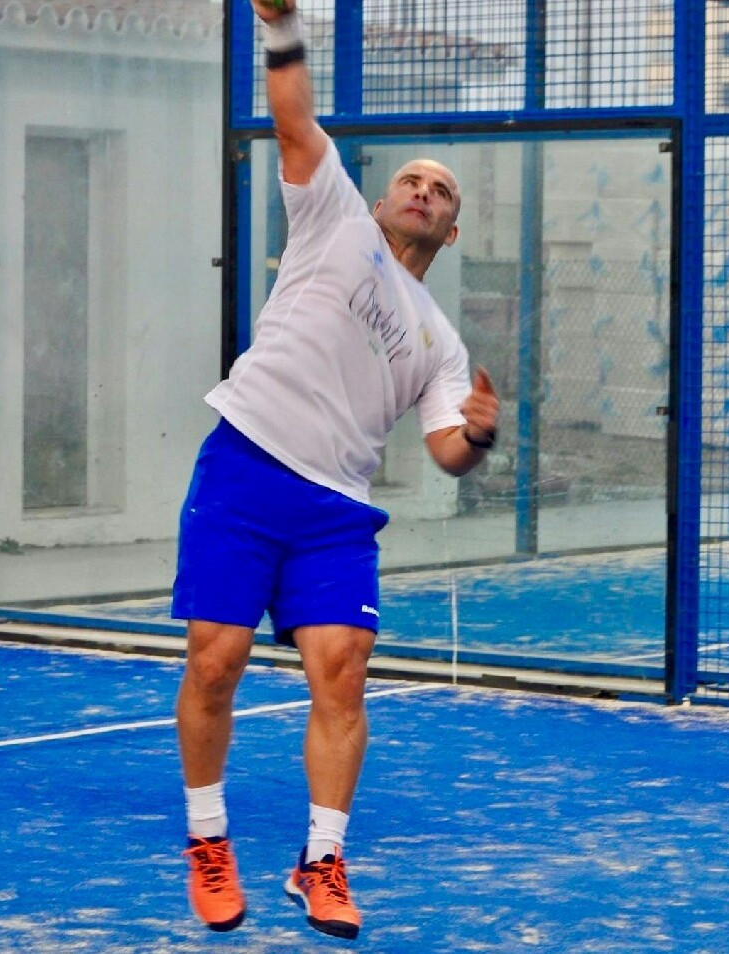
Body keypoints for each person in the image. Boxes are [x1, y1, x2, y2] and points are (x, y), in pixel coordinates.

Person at [172, 0, 500, 939]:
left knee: (344, 677)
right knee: (216, 661)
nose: (423, 191)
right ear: (386, 199)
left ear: (451, 230)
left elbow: (445, 452)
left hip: (335, 512)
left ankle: (320, 861)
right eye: (412, 181)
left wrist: (478, 435)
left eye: (441, 190)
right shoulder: (334, 217)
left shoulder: (441, 342)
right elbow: (292, 120)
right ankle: (208, 841)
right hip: (245, 468)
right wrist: (282, 28)